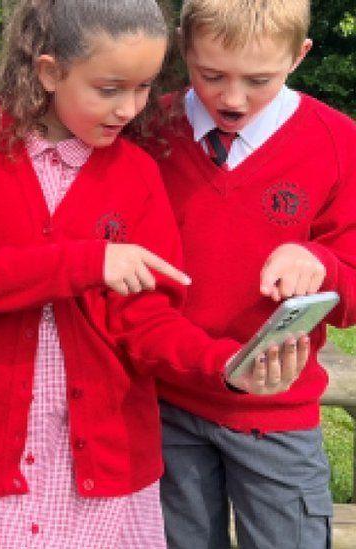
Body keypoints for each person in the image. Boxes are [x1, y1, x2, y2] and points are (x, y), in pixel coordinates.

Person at [0, 0, 309, 546]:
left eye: (144, 87)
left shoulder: (137, 174)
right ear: (50, 71)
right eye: (109, 89)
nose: (129, 109)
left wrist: (224, 364)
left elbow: (146, 321)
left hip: (106, 458)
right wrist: (88, 260)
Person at [150, 1, 356, 546]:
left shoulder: (337, 142)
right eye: (210, 74)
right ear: (183, 47)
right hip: (163, 403)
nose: (232, 98)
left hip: (276, 412)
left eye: (258, 79)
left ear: (299, 55)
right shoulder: (148, 129)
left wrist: (322, 263)